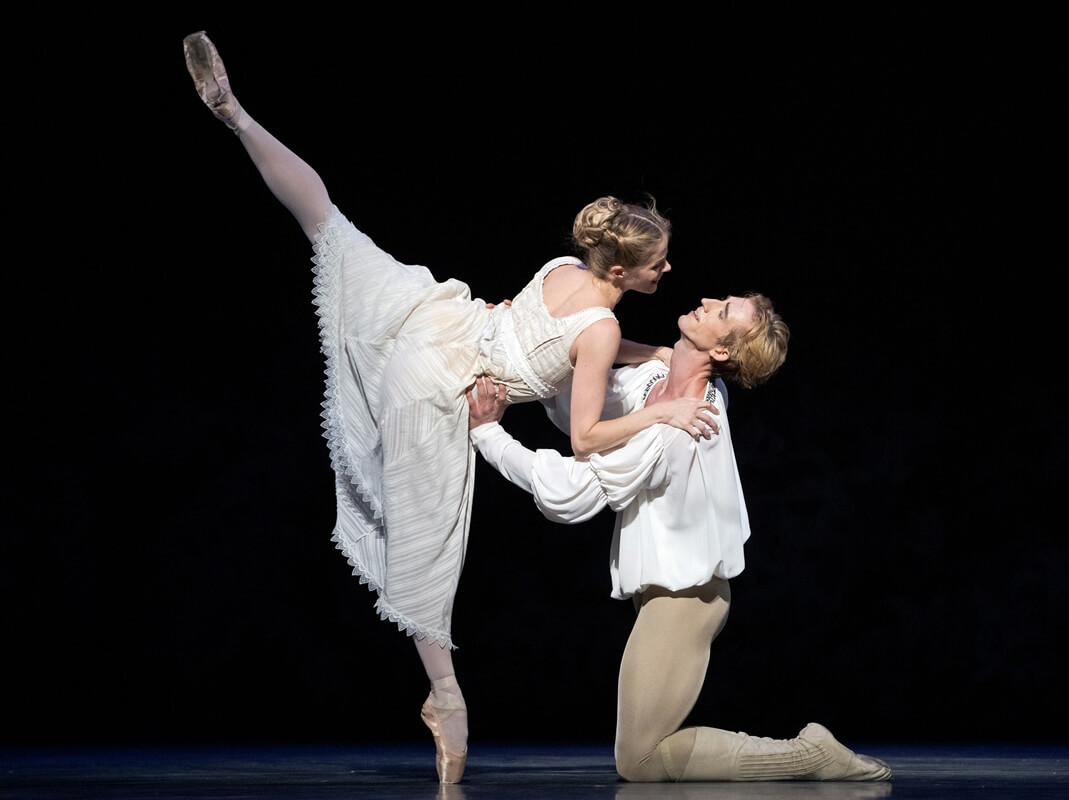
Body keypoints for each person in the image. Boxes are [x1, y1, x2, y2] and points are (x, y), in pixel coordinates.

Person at [181, 31, 724, 784]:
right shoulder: (601, 331)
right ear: (626, 270)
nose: (670, 270)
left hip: (442, 320)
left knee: (331, 225)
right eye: (660, 263)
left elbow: (564, 336)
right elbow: (588, 433)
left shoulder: (567, 267)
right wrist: (659, 411)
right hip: (449, 387)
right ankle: (446, 699)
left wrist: (649, 352)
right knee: (427, 552)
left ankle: (235, 113)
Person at [465, 293, 893, 782]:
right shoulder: (656, 386)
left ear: (723, 352)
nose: (707, 301)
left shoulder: (686, 424)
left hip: (686, 599)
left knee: (639, 760)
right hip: (665, 593)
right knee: (641, 755)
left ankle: (810, 754)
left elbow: (573, 489)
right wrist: (527, 343)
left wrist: (487, 433)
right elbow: (580, 400)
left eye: (723, 312)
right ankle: (810, 755)